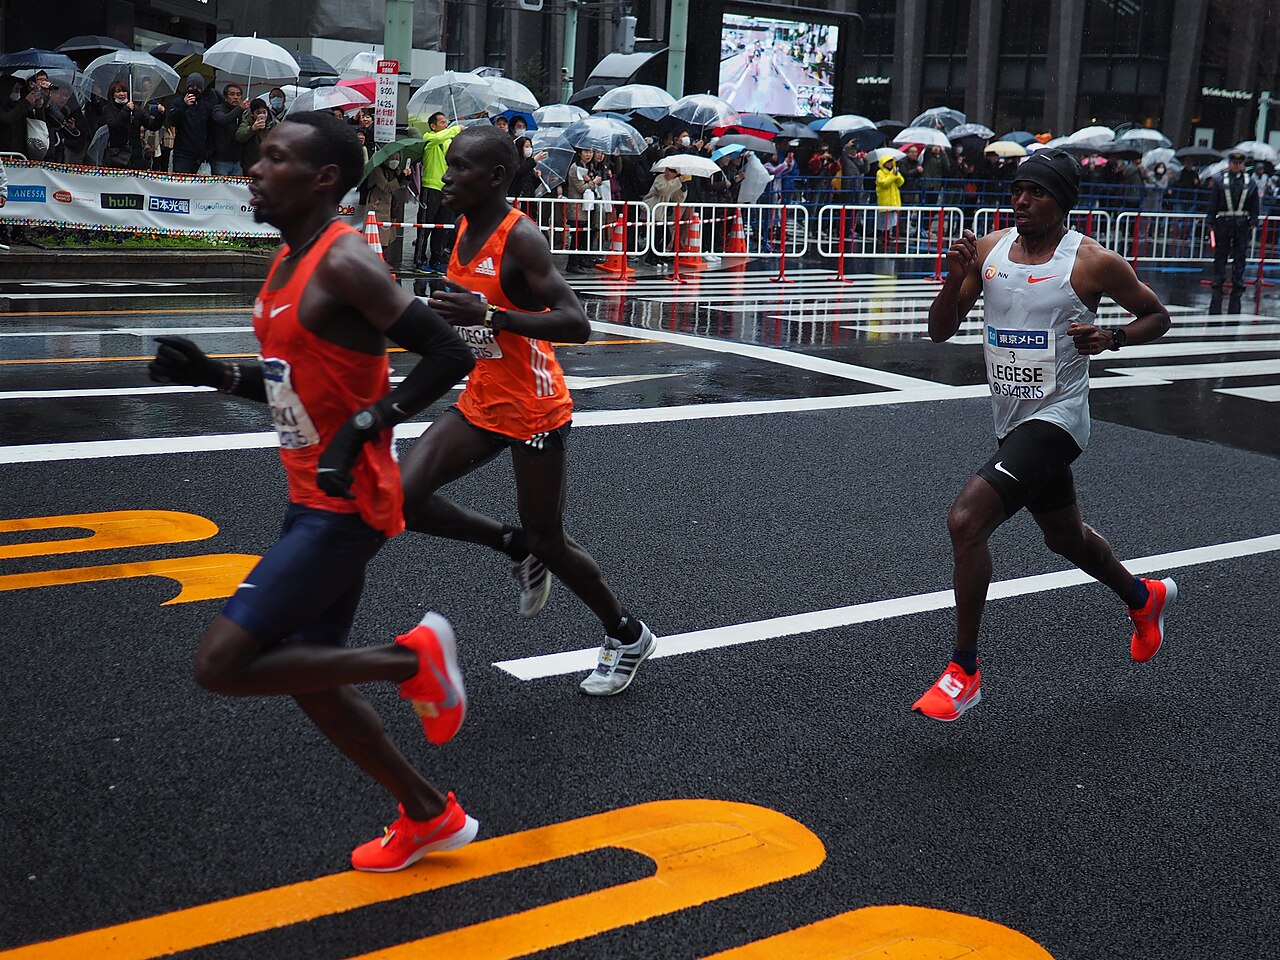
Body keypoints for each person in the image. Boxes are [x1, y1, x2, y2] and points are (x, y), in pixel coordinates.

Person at [146, 111, 479, 870]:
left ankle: (411, 660)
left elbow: (447, 350)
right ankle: (430, 814)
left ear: (324, 178)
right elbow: (294, 389)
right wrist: (214, 375)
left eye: (274, 159)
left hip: (343, 508)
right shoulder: (288, 262)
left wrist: (370, 423)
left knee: (222, 664)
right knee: (312, 675)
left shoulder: (343, 260)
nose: (254, 172)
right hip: (309, 498)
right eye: (258, 159)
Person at [914, 149, 1176, 722]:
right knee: (1066, 539)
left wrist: (1112, 338)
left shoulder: (1091, 262)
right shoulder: (988, 252)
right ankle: (1142, 597)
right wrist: (956, 278)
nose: (1023, 200)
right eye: (1018, 190)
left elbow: (1157, 315)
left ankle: (964, 669)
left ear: (1063, 201)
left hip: (1058, 419)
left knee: (966, 520)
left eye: (1037, 191)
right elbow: (939, 332)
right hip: (1011, 418)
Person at [400, 125, 657, 696]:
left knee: (551, 540)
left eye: (460, 168)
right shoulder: (467, 224)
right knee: (399, 500)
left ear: (495, 177)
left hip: (535, 407)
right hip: (481, 397)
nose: (446, 178)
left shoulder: (522, 239)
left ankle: (626, 634)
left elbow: (576, 323)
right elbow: (468, 318)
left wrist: (491, 315)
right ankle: (510, 545)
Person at [1206, 150, 1259, 311]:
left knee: (1240, 253)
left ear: (1243, 165)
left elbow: (1255, 203)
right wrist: (1211, 220)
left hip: (1242, 222)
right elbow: (1213, 202)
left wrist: (1254, 219)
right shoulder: (1220, 180)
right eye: (1234, 163)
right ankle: (1219, 279)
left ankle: (1238, 280)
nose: (1237, 166)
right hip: (1224, 221)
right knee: (1221, 253)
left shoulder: (1250, 182)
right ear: (1229, 164)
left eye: (1240, 163)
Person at [416, 111, 463, 274]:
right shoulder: (429, 137)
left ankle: (436, 259)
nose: (445, 124)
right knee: (425, 226)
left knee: (441, 228)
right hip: (430, 188)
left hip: (446, 189)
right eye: (442, 122)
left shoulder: (448, 140)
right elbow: (437, 138)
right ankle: (419, 260)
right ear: (433, 126)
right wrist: (456, 129)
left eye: (446, 122)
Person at [168, 73, 215, 173]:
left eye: (198, 88)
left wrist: (207, 152)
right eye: (191, 87)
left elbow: (210, 129)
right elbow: (173, 121)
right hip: (182, 154)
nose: (194, 89)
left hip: (199, 155)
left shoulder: (205, 106)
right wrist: (184, 105)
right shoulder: (178, 102)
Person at [210, 83, 246, 176]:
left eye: (238, 95)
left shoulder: (243, 113)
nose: (235, 97)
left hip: (237, 161)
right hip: (221, 160)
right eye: (232, 94)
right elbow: (223, 120)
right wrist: (239, 108)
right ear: (225, 97)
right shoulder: (218, 109)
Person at [875, 154, 904, 249]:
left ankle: (888, 235)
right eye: (888, 162)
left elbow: (901, 182)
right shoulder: (880, 173)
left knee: (891, 220)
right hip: (885, 200)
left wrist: (896, 175)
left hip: (893, 199)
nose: (890, 164)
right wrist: (893, 176)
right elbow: (883, 183)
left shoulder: (893, 172)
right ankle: (881, 235)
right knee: (883, 220)